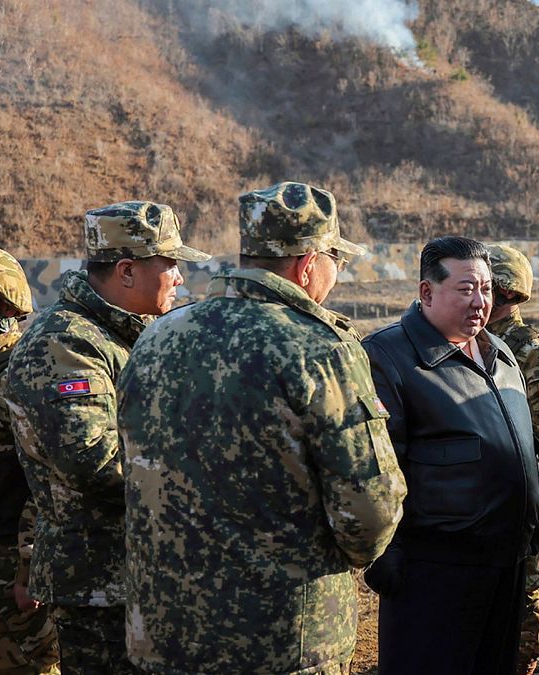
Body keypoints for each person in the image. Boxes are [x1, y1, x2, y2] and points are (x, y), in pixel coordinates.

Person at [116, 182, 407, 673]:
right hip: (280, 639)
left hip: (165, 633)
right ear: (308, 263)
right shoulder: (317, 347)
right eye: (338, 258)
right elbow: (368, 513)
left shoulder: (159, 335)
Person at [4, 201, 209, 673]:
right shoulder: (66, 343)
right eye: (171, 264)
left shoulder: (135, 333)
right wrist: (207, 472)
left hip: (150, 572)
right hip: (102, 585)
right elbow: (95, 460)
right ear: (127, 271)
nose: (179, 277)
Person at [362, 236, 539, 675]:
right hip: (434, 575)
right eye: (465, 289)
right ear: (427, 292)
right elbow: (375, 470)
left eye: (486, 289)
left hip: (506, 564)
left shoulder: (498, 353)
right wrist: (388, 559)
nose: (480, 301)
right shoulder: (389, 357)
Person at [0, 247, 60, 675]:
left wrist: (31, 569)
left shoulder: (22, 371)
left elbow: (44, 479)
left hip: (11, 584)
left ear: (5, 304)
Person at [485, 244, 539, 675]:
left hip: (521, 482)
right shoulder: (473, 340)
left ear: (506, 292)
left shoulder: (530, 347)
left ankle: (524, 652)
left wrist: (533, 481)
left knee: (524, 575)